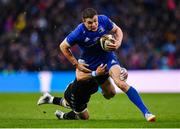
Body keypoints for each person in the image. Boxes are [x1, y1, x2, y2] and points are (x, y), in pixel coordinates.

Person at [39, 8, 156, 121]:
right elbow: (63, 46)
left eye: (95, 21)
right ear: (83, 21)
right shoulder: (79, 32)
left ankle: (147, 113)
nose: (94, 24)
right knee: (81, 106)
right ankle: (95, 81)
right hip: (89, 62)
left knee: (117, 88)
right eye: (90, 23)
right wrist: (76, 64)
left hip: (107, 58)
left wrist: (118, 43)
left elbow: (117, 30)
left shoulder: (104, 20)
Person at [37, 63, 128, 120]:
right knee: (84, 117)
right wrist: (95, 73)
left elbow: (110, 69)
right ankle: (62, 116)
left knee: (70, 104)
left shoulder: (100, 68)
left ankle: (50, 99)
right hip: (74, 93)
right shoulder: (86, 64)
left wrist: (121, 71)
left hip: (78, 93)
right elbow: (80, 77)